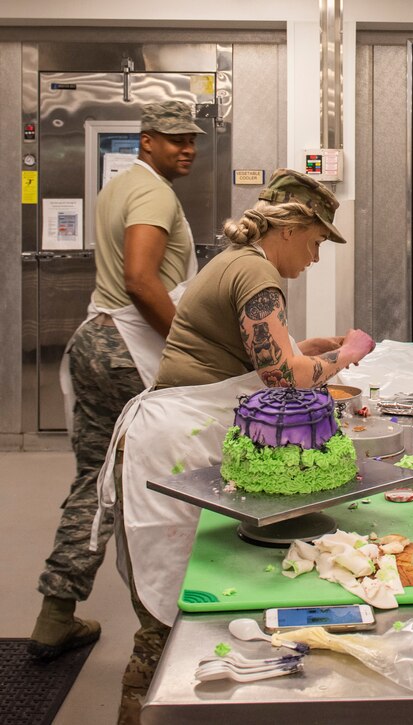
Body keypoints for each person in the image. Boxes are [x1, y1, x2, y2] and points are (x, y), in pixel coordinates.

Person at [96, 168, 376, 722]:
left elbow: (253, 350)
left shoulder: (237, 263)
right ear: (293, 228)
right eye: (318, 243)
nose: (316, 258)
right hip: (170, 445)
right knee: (165, 623)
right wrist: (348, 353)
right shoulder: (258, 274)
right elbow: (280, 376)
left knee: (185, 607)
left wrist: (305, 348)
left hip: (180, 433)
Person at [30, 100, 203, 661]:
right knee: (151, 484)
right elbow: (138, 279)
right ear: (145, 140)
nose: (187, 148)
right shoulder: (154, 192)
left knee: (93, 481)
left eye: (192, 139)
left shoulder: (121, 185)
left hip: (94, 342)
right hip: (130, 350)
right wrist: (189, 347)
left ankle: (56, 612)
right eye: (173, 138)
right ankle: (163, 627)